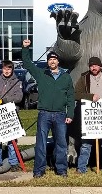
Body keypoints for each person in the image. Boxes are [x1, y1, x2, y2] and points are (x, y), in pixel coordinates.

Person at [22, 40, 75, 178]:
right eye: (50, 59)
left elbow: (70, 97)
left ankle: (62, 170)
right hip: (44, 114)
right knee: (41, 143)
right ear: (47, 62)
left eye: (54, 59)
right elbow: (27, 64)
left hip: (60, 115)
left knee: (61, 143)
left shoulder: (66, 77)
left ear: (58, 62)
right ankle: (39, 170)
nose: (52, 61)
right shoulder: (41, 74)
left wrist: (70, 114)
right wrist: (25, 48)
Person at [0, 43, 23, 171]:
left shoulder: (17, 82)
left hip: (10, 115)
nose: (7, 71)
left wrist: (5, 100)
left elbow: (19, 97)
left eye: (9, 68)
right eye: (5, 68)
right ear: (2, 69)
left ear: (12, 70)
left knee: (12, 141)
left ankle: (13, 162)